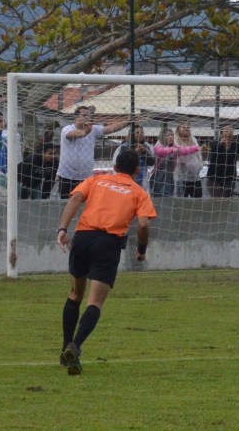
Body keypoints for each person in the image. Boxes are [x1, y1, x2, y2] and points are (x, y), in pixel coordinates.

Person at [56, 150, 157, 375]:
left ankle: (65, 348)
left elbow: (75, 198)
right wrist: (141, 251)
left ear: (115, 165)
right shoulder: (139, 193)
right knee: (95, 302)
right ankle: (75, 346)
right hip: (108, 243)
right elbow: (143, 225)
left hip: (82, 238)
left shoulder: (96, 180)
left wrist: (63, 229)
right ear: (137, 170)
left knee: (74, 295)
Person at [57, 106, 128, 199]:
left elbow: (110, 128)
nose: (87, 117)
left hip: (86, 177)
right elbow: (74, 134)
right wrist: (86, 131)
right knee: (66, 203)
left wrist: (128, 122)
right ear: (76, 117)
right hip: (67, 176)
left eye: (89, 116)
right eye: (84, 115)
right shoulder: (67, 128)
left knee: (85, 204)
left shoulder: (93, 129)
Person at [207, 125, 239, 197]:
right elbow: (214, 151)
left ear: (232, 136)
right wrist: (220, 144)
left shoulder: (235, 145)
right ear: (221, 135)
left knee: (226, 201)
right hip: (214, 179)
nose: (227, 137)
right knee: (217, 201)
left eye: (229, 135)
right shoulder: (215, 143)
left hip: (229, 179)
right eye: (225, 134)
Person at [112, 124, 155, 189]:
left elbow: (152, 163)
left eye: (142, 132)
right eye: (137, 132)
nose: (140, 134)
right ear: (131, 134)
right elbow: (121, 162)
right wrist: (135, 152)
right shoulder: (124, 146)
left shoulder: (147, 146)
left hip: (142, 179)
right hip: (127, 178)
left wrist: (144, 152)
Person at [174, 122, 204, 198]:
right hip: (182, 178)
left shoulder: (194, 140)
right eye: (183, 127)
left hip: (196, 178)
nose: (186, 128)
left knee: (198, 202)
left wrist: (200, 164)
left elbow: (199, 156)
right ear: (178, 129)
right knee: (181, 203)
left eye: (188, 127)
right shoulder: (175, 141)